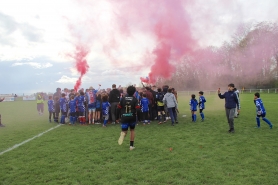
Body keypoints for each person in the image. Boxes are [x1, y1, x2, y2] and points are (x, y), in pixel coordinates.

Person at [117, 85, 140, 150]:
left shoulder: (123, 99)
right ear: (134, 92)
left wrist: (117, 117)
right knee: (132, 130)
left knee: (124, 130)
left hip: (124, 116)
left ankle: (123, 134)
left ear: (127, 91)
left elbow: (118, 108)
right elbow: (138, 109)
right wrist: (140, 118)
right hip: (132, 116)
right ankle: (131, 146)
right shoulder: (135, 99)